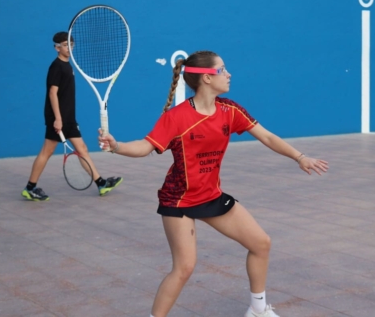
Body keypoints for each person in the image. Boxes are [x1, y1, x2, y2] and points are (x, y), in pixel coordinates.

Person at [98, 50, 329, 317]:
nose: (228, 74)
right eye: (222, 70)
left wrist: (300, 157)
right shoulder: (177, 117)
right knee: (184, 268)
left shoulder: (229, 110)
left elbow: (266, 136)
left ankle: (257, 310)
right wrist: (117, 146)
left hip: (211, 195)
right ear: (206, 78)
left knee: (261, 244)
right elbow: (145, 146)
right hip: (179, 200)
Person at [22, 32, 123, 201]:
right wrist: (58, 119)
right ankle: (30, 188)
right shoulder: (56, 66)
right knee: (47, 152)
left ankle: (101, 183)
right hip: (59, 119)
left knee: (82, 149)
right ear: (57, 48)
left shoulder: (68, 66)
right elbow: (52, 93)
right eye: (65, 45)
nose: (69, 48)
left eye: (71, 45)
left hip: (68, 118)